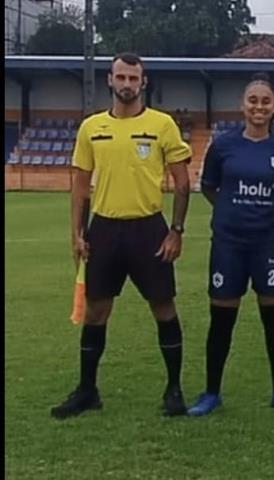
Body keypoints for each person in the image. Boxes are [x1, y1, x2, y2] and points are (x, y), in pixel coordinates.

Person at [51, 52, 192, 419]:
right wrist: (77, 234)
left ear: (143, 82)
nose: (127, 84)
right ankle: (87, 390)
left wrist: (176, 231)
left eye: (134, 78)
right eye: (121, 77)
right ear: (109, 81)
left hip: (149, 228)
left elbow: (181, 183)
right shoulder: (91, 127)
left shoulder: (162, 125)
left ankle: (174, 389)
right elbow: (80, 187)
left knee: (163, 307)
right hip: (105, 229)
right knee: (96, 311)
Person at [186, 73, 274, 417]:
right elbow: (210, 188)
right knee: (221, 319)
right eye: (253, 100)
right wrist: (231, 211)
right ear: (243, 105)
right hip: (229, 244)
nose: (259, 107)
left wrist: (272, 213)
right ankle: (211, 392)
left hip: (269, 243)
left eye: (265, 101)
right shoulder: (223, 146)